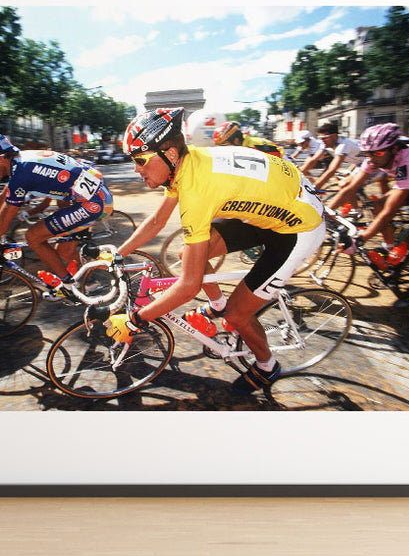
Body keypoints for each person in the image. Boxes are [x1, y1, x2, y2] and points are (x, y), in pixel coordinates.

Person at [106, 108, 326, 392]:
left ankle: (267, 366)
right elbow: (158, 220)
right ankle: (218, 304)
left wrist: (136, 321)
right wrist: (118, 253)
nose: (136, 168)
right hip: (273, 208)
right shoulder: (186, 163)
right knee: (189, 254)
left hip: (299, 228)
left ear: (170, 154)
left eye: (140, 160)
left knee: (237, 316)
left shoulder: (196, 191)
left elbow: (188, 286)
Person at [0, 133, 114, 292]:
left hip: (93, 203)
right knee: (63, 250)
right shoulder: (21, 161)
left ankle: (68, 287)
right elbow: (1, 199)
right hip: (93, 198)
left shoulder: (20, 174)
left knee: (33, 236)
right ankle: (87, 282)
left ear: (0, 158)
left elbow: (1, 225)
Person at [329, 122, 409, 305]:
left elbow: (390, 211)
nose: (371, 159)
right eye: (367, 154)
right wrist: (324, 213)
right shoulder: (376, 155)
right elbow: (351, 187)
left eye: (378, 153)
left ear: (395, 149)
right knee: (378, 204)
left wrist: (361, 238)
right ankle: (390, 249)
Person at [212, 121, 283, 157]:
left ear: (236, 140)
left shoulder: (252, 150)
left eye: (224, 145)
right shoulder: (247, 144)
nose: (223, 149)